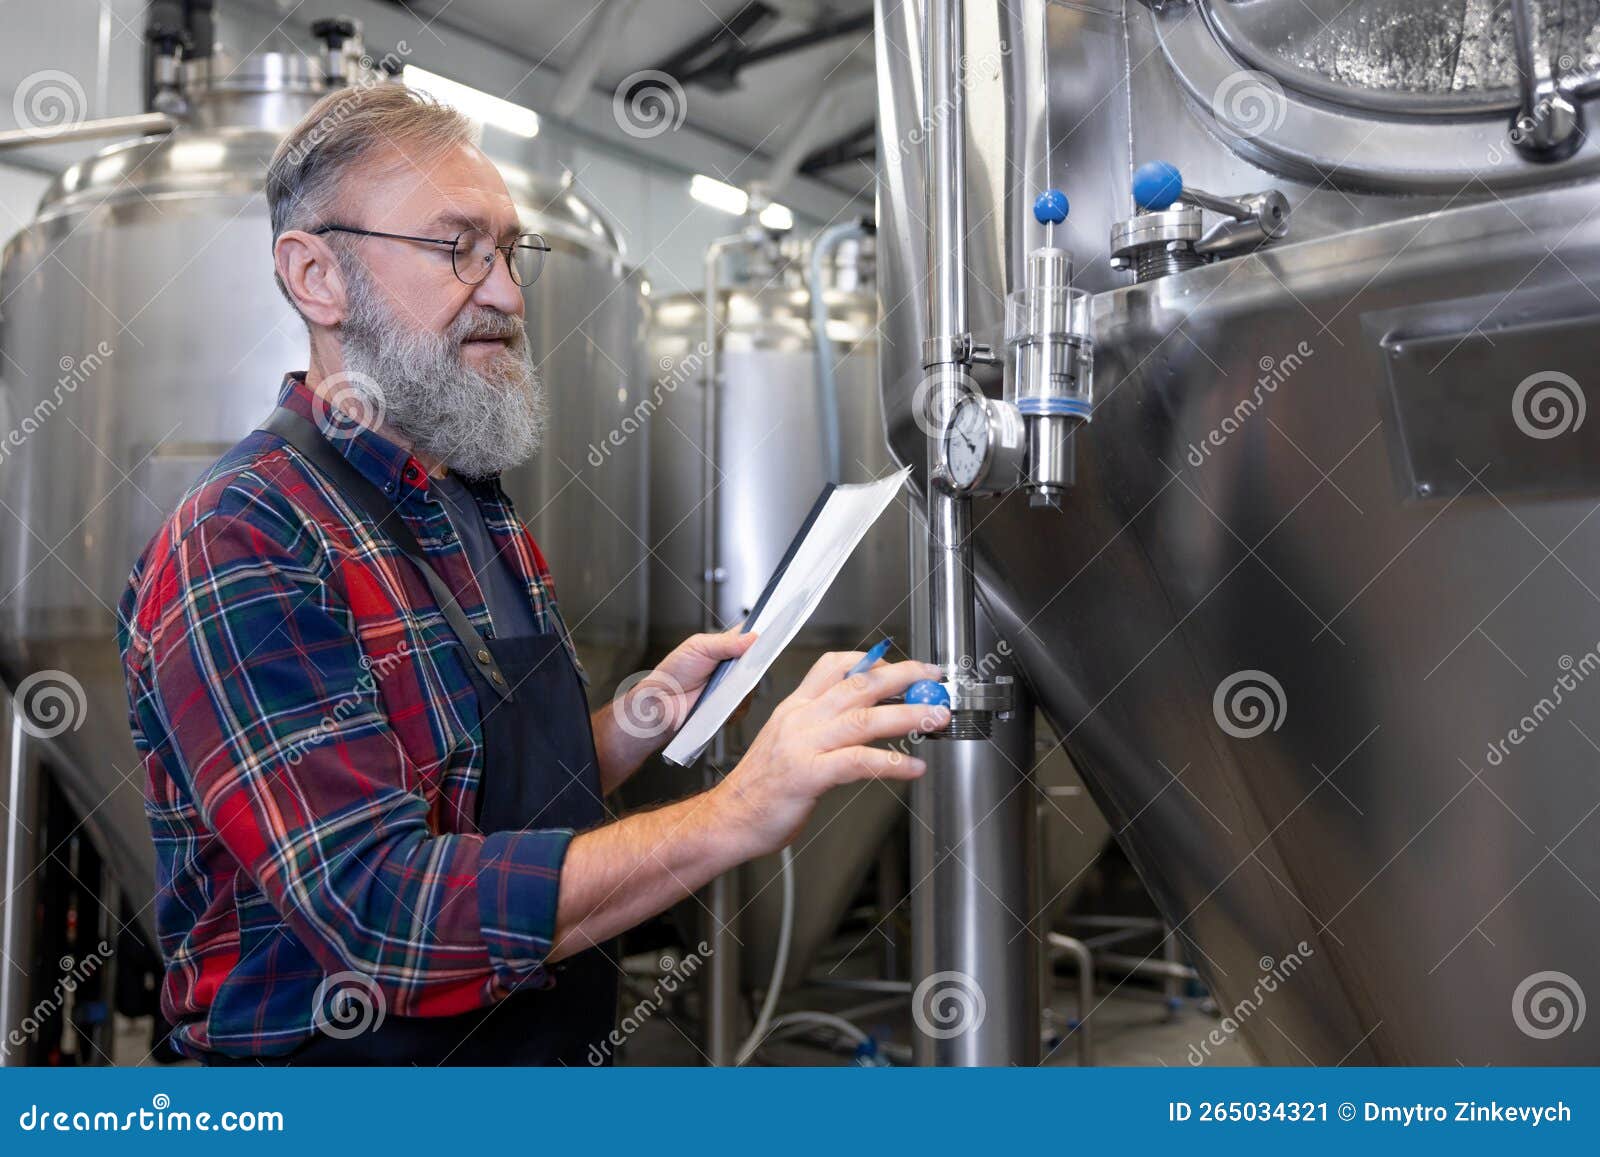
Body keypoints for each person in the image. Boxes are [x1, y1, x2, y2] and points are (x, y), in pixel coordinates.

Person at [116, 82, 947, 1065]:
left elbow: (480, 795)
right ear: (317, 276)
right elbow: (384, 911)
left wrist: (646, 713)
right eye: (456, 246)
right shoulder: (244, 539)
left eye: (510, 251)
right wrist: (732, 813)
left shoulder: (472, 502)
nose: (507, 292)